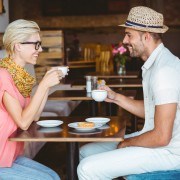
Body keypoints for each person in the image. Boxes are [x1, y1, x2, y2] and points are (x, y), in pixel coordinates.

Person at [77, 6, 180, 179]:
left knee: (86, 169)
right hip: (159, 142)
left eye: (129, 35)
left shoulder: (164, 70)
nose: (124, 40)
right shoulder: (154, 65)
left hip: (170, 152)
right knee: (86, 151)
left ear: (146, 37)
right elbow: (151, 111)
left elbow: (162, 136)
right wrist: (115, 97)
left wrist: (127, 143)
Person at [0, 19, 62, 179]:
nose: (40, 49)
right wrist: (42, 86)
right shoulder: (3, 75)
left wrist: (46, 85)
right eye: (36, 44)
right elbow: (23, 122)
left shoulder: (20, 77)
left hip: (9, 155)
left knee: (53, 176)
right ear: (18, 45)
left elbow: (34, 117)